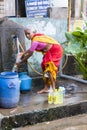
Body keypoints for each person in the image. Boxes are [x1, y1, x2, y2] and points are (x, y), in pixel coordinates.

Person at [16, 26, 63, 94]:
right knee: (44, 66)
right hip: (49, 51)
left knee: (50, 68)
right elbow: (30, 49)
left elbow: (30, 54)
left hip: (55, 50)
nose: (27, 36)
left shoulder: (35, 40)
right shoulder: (35, 38)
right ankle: (46, 88)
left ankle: (53, 89)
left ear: (33, 32)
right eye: (25, 34)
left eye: (28, 33)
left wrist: (20, 62)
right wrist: (23, 53)